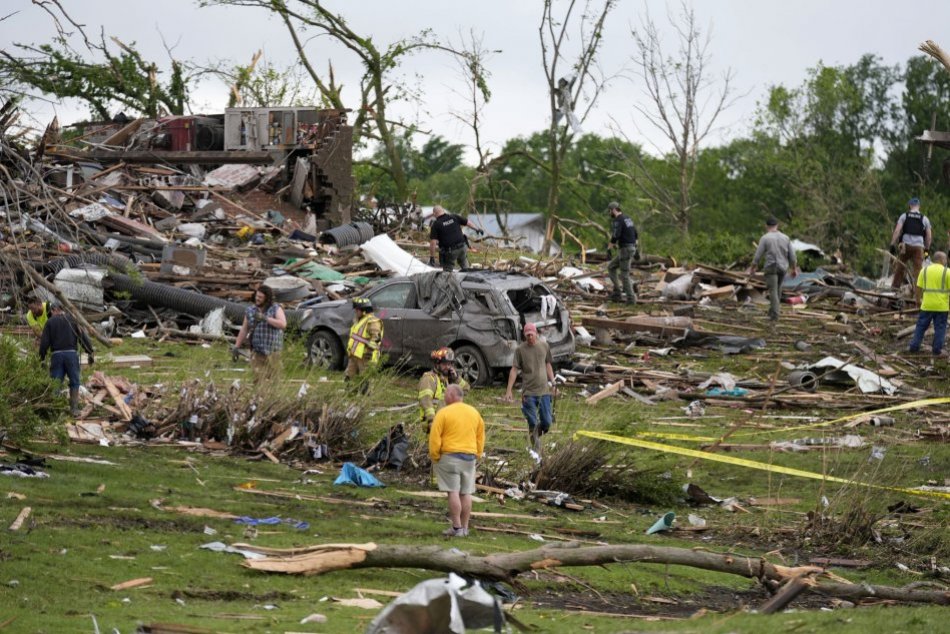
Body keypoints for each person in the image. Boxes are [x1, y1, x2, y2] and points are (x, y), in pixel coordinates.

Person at [428, 384, 485, 537]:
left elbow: (435, 437)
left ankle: (456, 527)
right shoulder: (474, 412)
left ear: (452, 395)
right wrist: (478, 453)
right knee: (466, 492)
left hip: (450, 456)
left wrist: (435, 456)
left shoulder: (443, 413)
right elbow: (480, 436)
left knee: (453, 491)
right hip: (469, 457)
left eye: (446, 393)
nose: (444, 396)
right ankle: (465, 528)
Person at [503, 322, 556, 452]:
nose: (530, 338)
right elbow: (514, 370)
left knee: (547, 423)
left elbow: (548, 364)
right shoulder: (520, 350)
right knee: (532, 421)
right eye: (527, 336)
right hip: (529, 393)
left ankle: (535, 434)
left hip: (544, 391)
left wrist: (553, 383)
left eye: (531, 335)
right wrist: (509, 390)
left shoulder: (544, 346)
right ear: (524, 336)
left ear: (536, 333)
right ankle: (535, 446)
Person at [39, 301, 94, 416]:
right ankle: (74, 409)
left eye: (51, 312)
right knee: (74, 382)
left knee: (56, 383)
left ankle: (54, 411)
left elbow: (44, 342)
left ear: (55, 310)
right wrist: (90, 352)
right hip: (71, 355)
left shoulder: (50, 322)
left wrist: (42, 358)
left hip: (56, 356)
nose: (51, 314)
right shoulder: (73, 320)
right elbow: (83, 337)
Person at [748, 217, 799, 322]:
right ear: (777, 226)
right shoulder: (786, 238)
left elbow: (758, 255)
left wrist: (753, 267)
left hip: (771, 267)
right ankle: (773, 311)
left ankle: (774, 316)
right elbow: (792, 256)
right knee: (778, 289)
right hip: (782, 268)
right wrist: (794, 268)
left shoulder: (765, 238)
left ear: (766, 226)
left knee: (773, 291)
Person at [233, 285, 286, 381]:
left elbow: (283, 324)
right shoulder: (250, 310)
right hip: (257, 352)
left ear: (267, 298)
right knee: (259, 381)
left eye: (260, 297)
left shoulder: (275, 308)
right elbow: (244, 329)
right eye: (257, 296)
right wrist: (236, 346)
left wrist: (265, 318)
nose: (257, 299)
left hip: (273, 352)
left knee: (275, 381)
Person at [908, 251, 950, 357]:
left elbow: (918, 287)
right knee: (940, 328)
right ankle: (937, 350)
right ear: (941, 260)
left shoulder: (924, 270)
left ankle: (914, 347)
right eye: (945, 259)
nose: (946, 261)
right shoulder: (947, 272)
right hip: (941, 307)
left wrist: (917, 300)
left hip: (926, 306)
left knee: (920, 327)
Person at [418, 347, 470, 431]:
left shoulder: (448, 379)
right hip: (434, 425)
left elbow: (465, 389)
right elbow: (426, 401)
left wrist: (456, 378)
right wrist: (432, 421)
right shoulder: (429, 379)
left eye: (450, 364)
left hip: (446, 423)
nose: (448, 367)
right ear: (437, 363)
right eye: (445, 364)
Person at [890, 197, 932, 289]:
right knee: (918, 271)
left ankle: (894, 289)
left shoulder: (904, 216)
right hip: (918, 247)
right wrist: (926, 251)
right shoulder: (925, 219)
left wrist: (892, 244)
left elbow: (897, 231)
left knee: (900, 268)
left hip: (905, 246)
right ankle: (917, 293)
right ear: (919, 206)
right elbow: (928, 237)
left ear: (910, 206)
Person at [428, 205, 484, 272]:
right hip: (463, 247)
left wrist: (432, 257)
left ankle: (447, 279)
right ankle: (469, 276)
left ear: (434, 214)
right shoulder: (454, 216)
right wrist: (477, 229)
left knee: (447, 272)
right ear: (443, 211)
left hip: (450, 252)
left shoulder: (436, 224)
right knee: (465, 266)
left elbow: (433, 242)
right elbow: (467, 222)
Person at [345, 297, 383, 388]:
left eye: (357, 310)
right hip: (355, 355)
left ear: (364, 311)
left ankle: (365, 399)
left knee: (365, 380)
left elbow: (375, 339)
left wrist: (369, 352)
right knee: (349, 377)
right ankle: (350, 396)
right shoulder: (359, 321)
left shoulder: (372, 322)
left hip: (365, 356)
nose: (355, 312)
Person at [606, 201, 639, 304]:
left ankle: (631, 299)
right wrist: (636, 248)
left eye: (610, 211)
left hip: (625, 250)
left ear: (614, 210)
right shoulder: (627, 218)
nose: (610, 213)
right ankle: (617, 291)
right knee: (611, 267)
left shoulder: (618, 220)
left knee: (624, 275)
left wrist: (609, 248)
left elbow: (616, 235)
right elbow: (635, 233)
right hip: (630, 248)